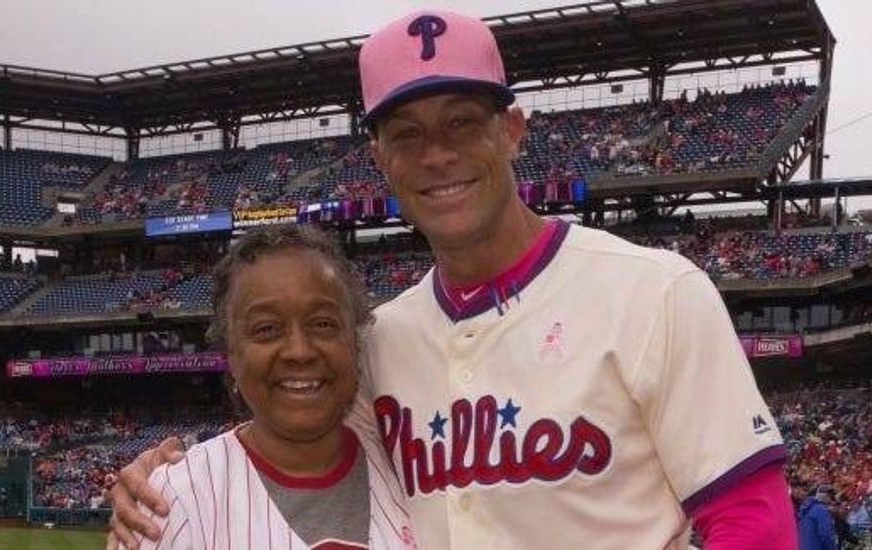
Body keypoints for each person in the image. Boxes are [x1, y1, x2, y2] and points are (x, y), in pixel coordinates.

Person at [109, 9, 797, 549]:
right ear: (378, 156)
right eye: (407, 133)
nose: (437, 154)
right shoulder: (384, 339)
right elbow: (291, 417)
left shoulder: (657, 293)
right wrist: (163, 475)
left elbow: (753, 522)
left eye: (462, 123)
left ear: (512, 131)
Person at [117, 226, 413, 549]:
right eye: (267, 329)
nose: (299, 351)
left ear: (355, 341)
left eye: (324, 324)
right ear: (231, 352)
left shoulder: (408, 466)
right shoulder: (175, 498)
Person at [797, 486, 838, 550]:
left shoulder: (805, 510)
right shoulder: (821, 510)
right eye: (831, 498)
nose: (831, 501)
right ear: (826, 496)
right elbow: (826, 535)